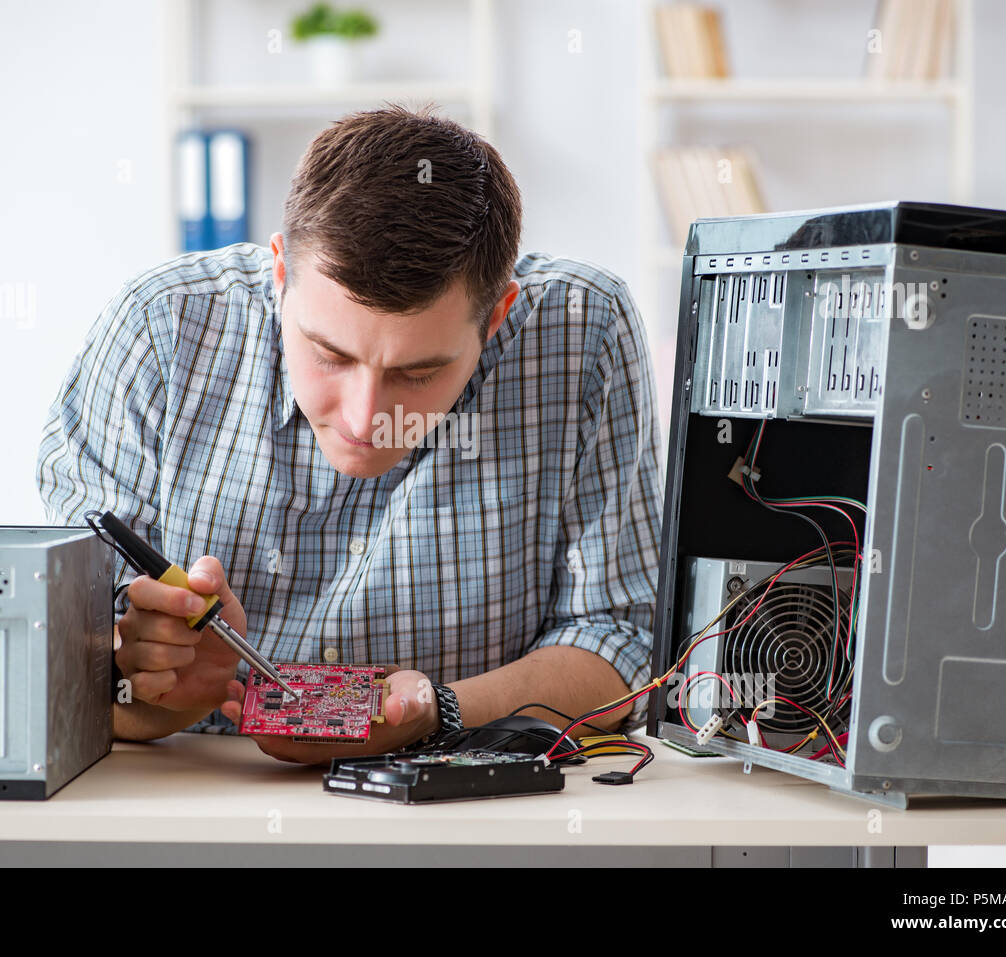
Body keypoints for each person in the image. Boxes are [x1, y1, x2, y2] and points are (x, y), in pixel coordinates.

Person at [36, 104, 663, 765]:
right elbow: (61, 664)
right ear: (280, 274)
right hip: (189, 799)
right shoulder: (159, 330)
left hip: (468, 808)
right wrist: (156, 690)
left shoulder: (581, 331)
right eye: (330, 354)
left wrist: (436, 711)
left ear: (497, 316)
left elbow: (619, 636)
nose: (367, 418)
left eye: (418, 371)